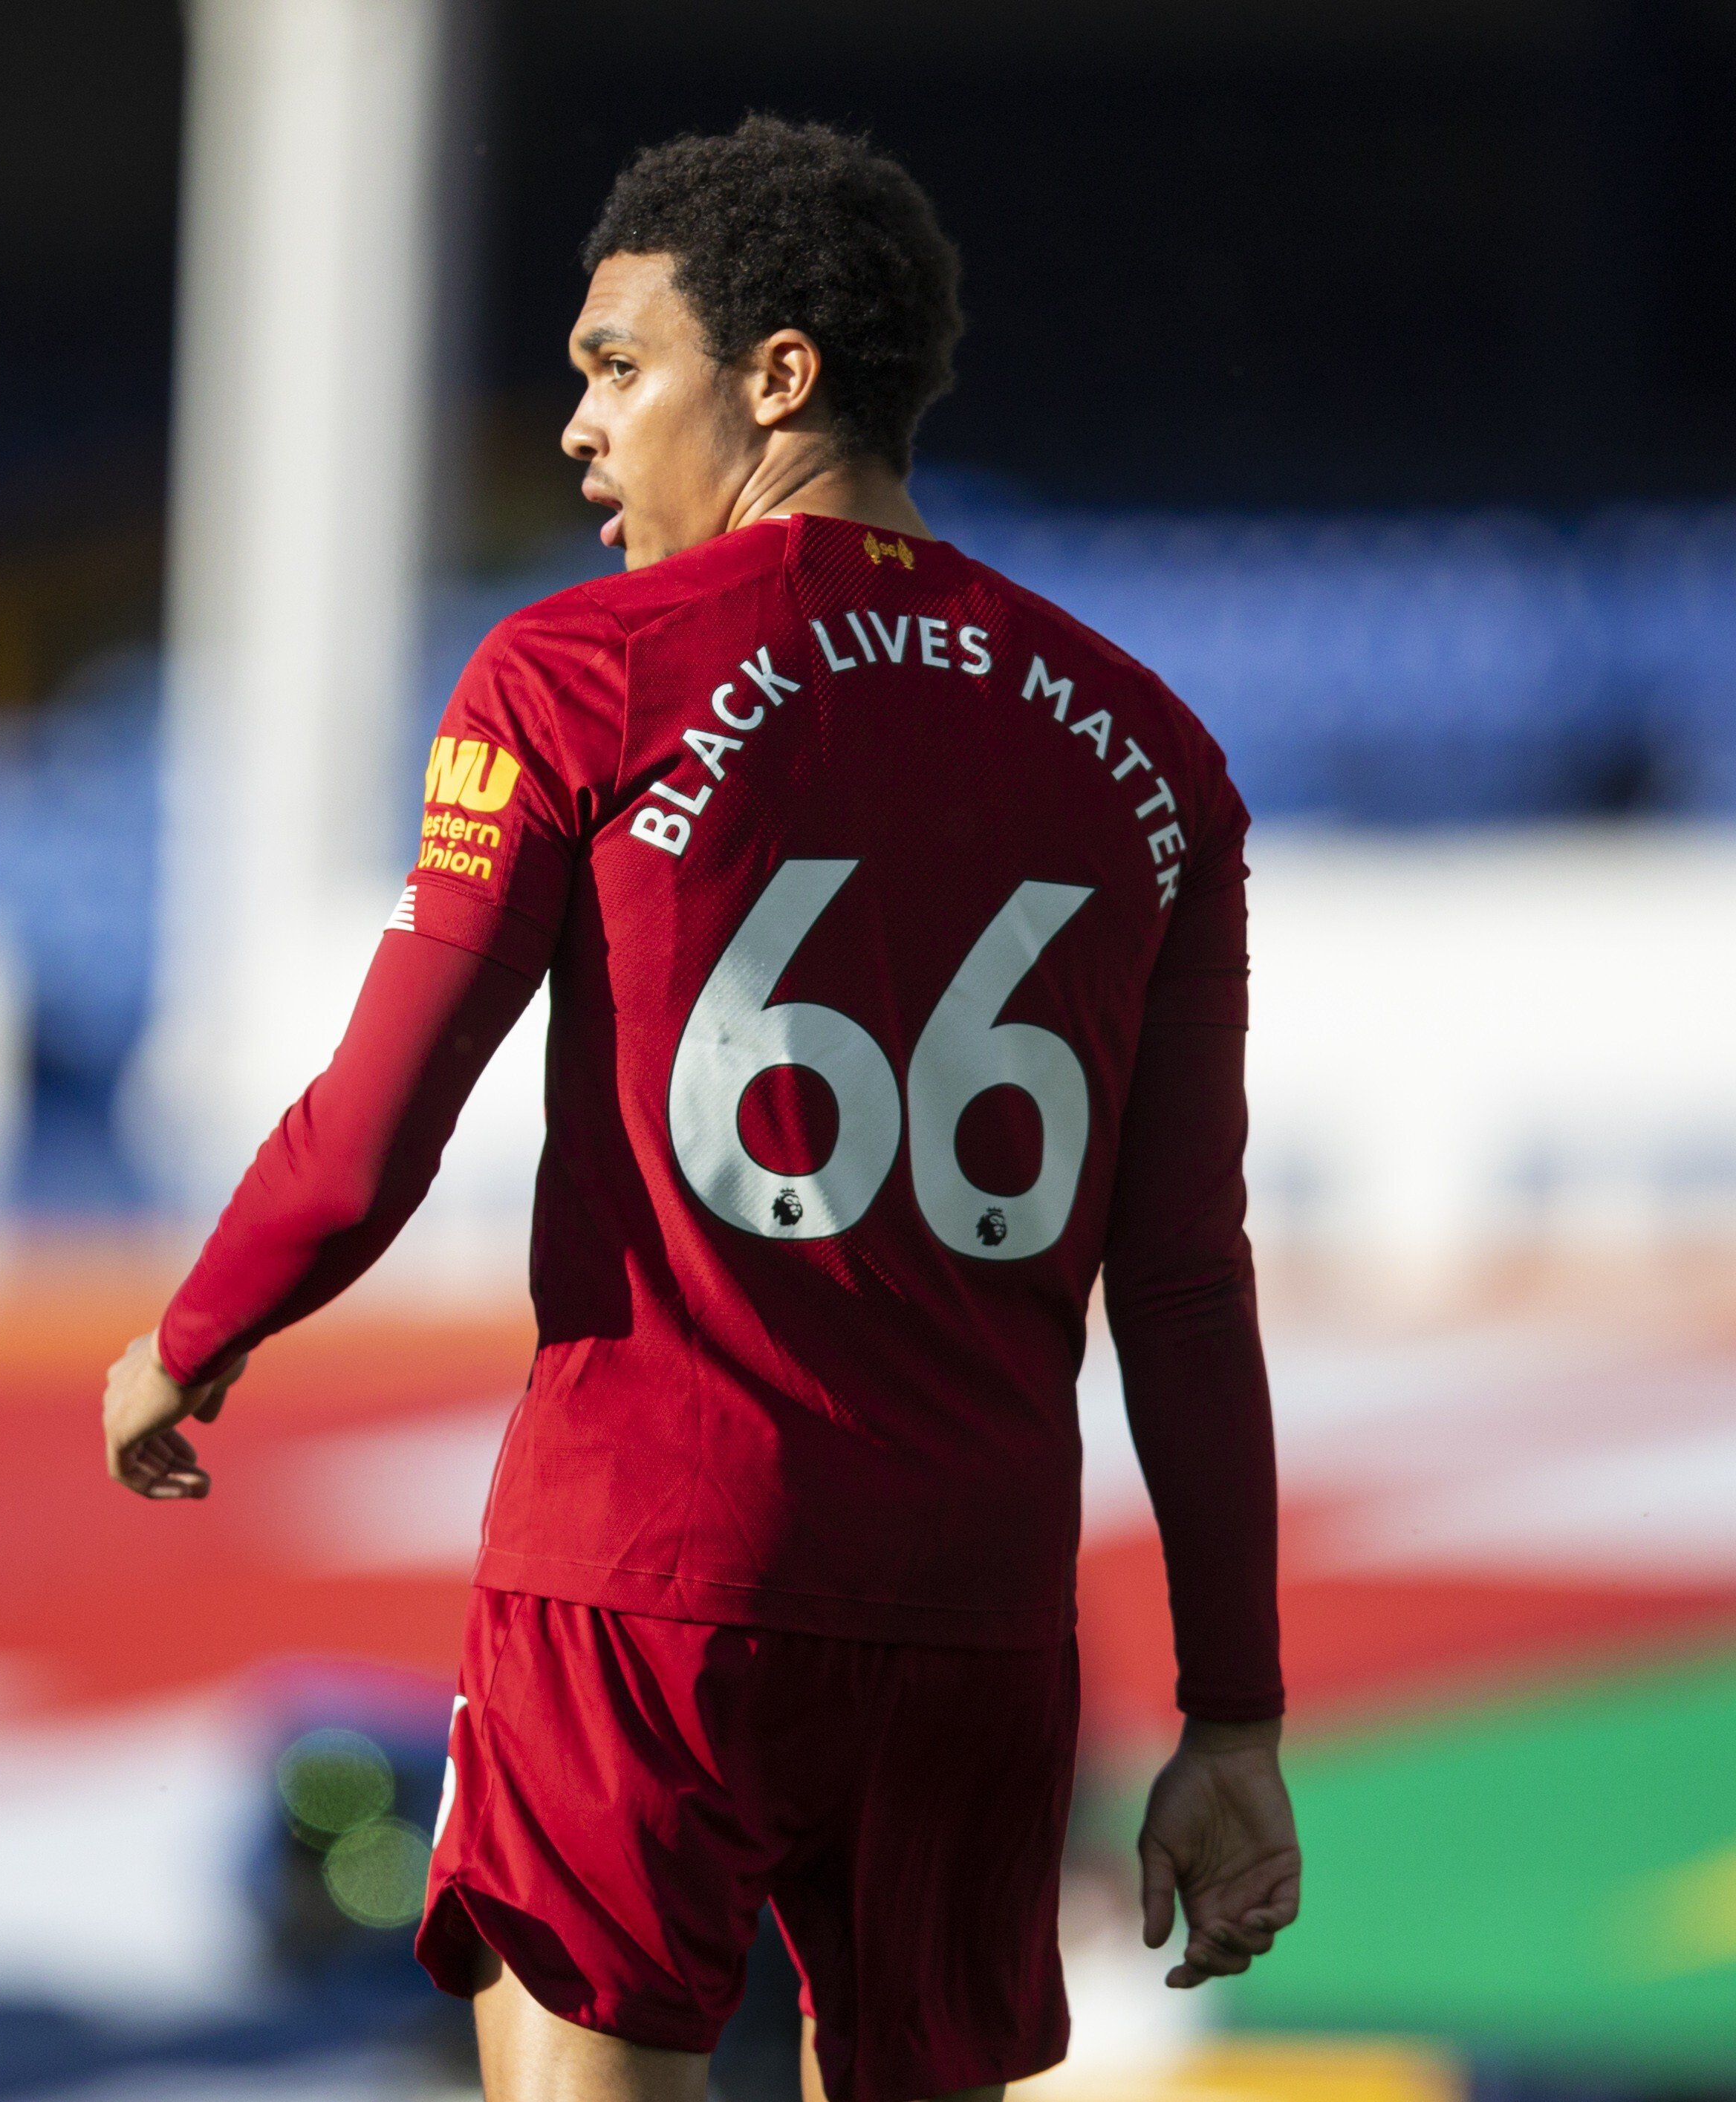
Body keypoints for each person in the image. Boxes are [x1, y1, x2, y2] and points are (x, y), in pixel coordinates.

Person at [101, 115, 1299, 2102]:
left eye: (615, 368)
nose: (579, 430)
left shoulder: (581, 675)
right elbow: (1183, 1291)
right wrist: (1235, 1719)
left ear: (780, 376)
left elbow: (386, 1109)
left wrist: (193, 1336)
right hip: (976, 1620)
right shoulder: (1154, 755)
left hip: (651, 1571)